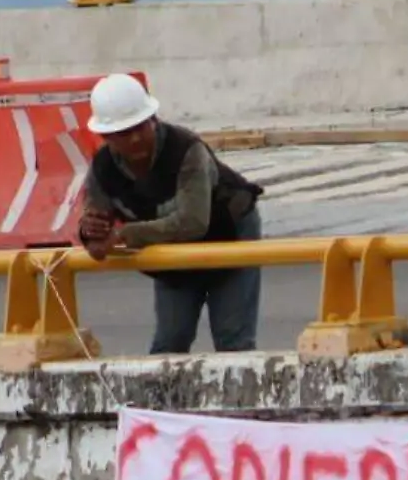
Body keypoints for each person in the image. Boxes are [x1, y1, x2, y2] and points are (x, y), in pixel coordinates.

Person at [77, 73, 267, 354]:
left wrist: (125, 234)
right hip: (173, 252)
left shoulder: (186, 149)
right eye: (123, 133)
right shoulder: (104, 168)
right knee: (170, 342)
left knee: (233, 342)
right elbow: (95, 223)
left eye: (141, 127)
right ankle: (159, 400)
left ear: (153, 119)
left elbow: (193, 221)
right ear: (106, 137)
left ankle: (239, 399)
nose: (136, 139)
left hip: (229, 234)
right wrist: (91, 234)